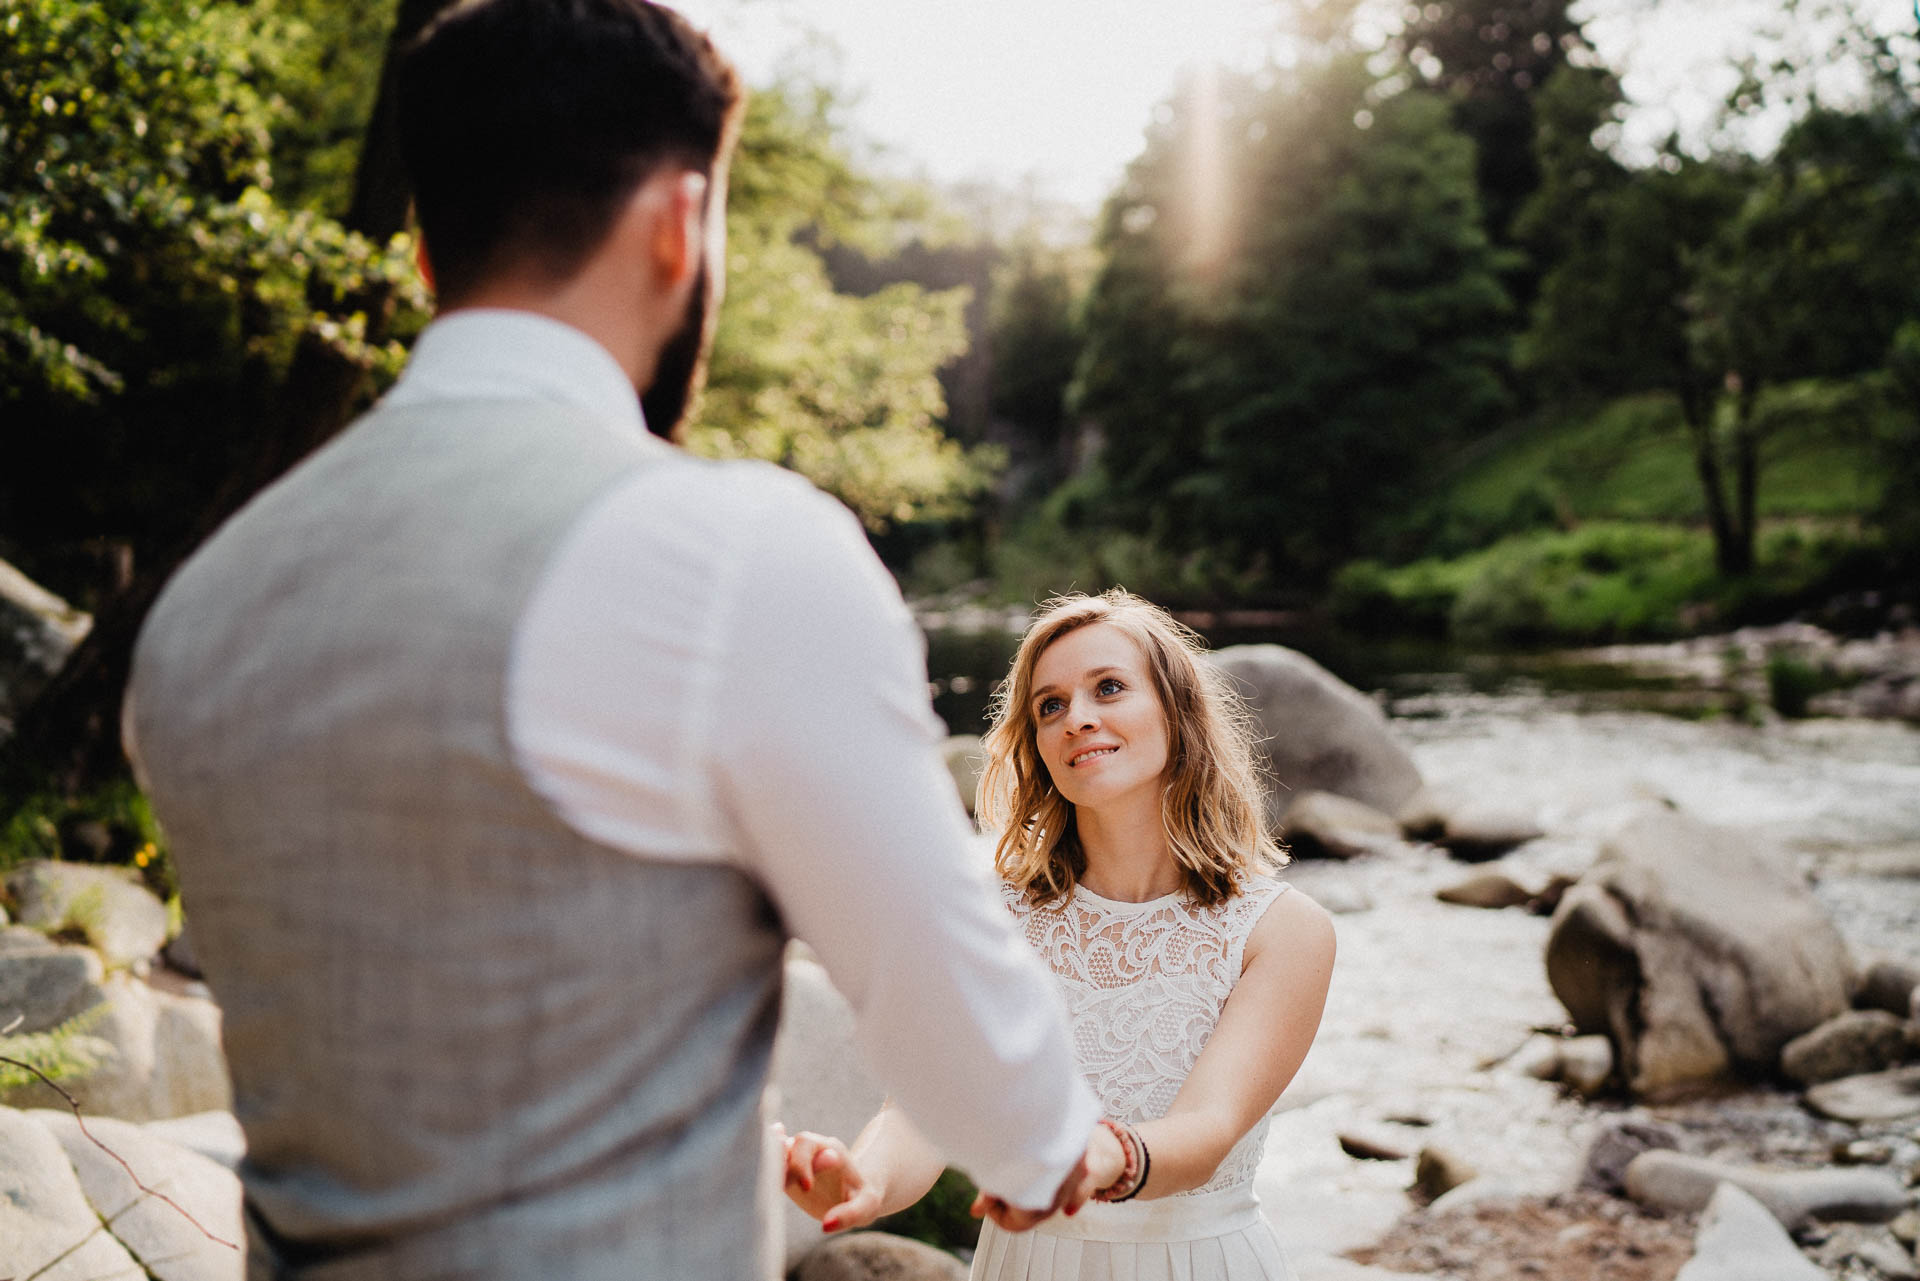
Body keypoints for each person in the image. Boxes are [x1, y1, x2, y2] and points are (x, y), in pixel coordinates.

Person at [121, 2, 1103, 1277]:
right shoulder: (732, 557)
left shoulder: (202, 608)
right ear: (680, 224)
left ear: (423, 254)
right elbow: (978, 1053)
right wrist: (1042, 1140)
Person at [781, 590, 1337, 1280]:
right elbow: (926, 1109)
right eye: (1050, 705)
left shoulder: (1282, 930)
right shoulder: (991, 914)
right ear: (1038, 745)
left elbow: (1208, 1130)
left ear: (1177, 710)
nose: (1077, 718)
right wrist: (864, 1179)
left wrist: (1101, 1155)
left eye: (1109, 687)